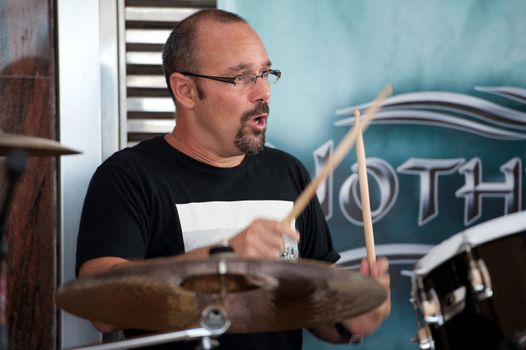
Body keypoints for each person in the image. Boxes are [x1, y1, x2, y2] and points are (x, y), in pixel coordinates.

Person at [75, 8, 391, 350]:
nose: (264, 93)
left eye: (266, 73)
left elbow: (317, 307)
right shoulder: (128, 177)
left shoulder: (287, 173)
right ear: (185, 90)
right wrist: (223, 260)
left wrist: (350, 322)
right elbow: (102, 304)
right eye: (241, 77)